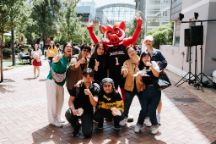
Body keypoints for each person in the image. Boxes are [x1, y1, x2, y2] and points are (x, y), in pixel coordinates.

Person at [65, 68, 100, 137]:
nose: (88, 79)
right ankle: (76, 125)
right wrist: (73, 109)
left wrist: (90, 94)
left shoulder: (95, 88)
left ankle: (88, 121)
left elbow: (94, 103)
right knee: (68, 113)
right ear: (82, 77)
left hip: (87, 111)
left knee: (87, 134)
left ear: (93, 78)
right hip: (77, 109)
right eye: (86, 77)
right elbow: (70, 100)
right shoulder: (77, 86)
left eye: (90, 77)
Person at [46, 42, 73, 127]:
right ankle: (52, 120)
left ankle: (57, 116)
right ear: (64, 49)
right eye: (67, 47)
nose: (69, 48)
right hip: (52, 81)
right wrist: (55, 60)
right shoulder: (60, 56)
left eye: (70, 47)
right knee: (52, 101)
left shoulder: (68, 59)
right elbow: (54, 62)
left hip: (60, 83)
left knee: (60, 101)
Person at [143, 35, 168, 125]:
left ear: (152, 42)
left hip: (157, 78)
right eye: (146, 41)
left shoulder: (158, 52)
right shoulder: (143, 53)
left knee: (158, 99)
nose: (148, 42)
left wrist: (157, 67)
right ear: (144, 43)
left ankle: (158, 116)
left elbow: (165, 62)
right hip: (147, 79)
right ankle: (149, 117)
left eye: (149, 41)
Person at [134, 52, 161, 134]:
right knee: (144, 109)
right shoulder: (139, 67)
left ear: (150, 57)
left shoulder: (154, 64)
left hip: (156, 90)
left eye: (148, 56)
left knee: (152, 109)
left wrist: (151, 66)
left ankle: (155, 125)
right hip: (145, 91)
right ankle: (139, 124)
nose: (146, 58)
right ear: (141, 58)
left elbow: (157, 75)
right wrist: (139, 79)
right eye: (144, 57)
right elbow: (137, 78)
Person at [119, 46, 144, 126]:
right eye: (129, 52)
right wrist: (124, 71)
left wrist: (137, 64)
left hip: (140, 87)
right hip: (129, 87)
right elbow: (124, 71)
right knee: (126, 104)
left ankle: (146, 118)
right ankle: (124, 118)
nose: (131, 53)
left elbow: (145, 71)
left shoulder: (142, 60)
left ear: (135, 51)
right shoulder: (126, 62)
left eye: (132, 51)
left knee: (144, 104)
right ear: (128, 54)